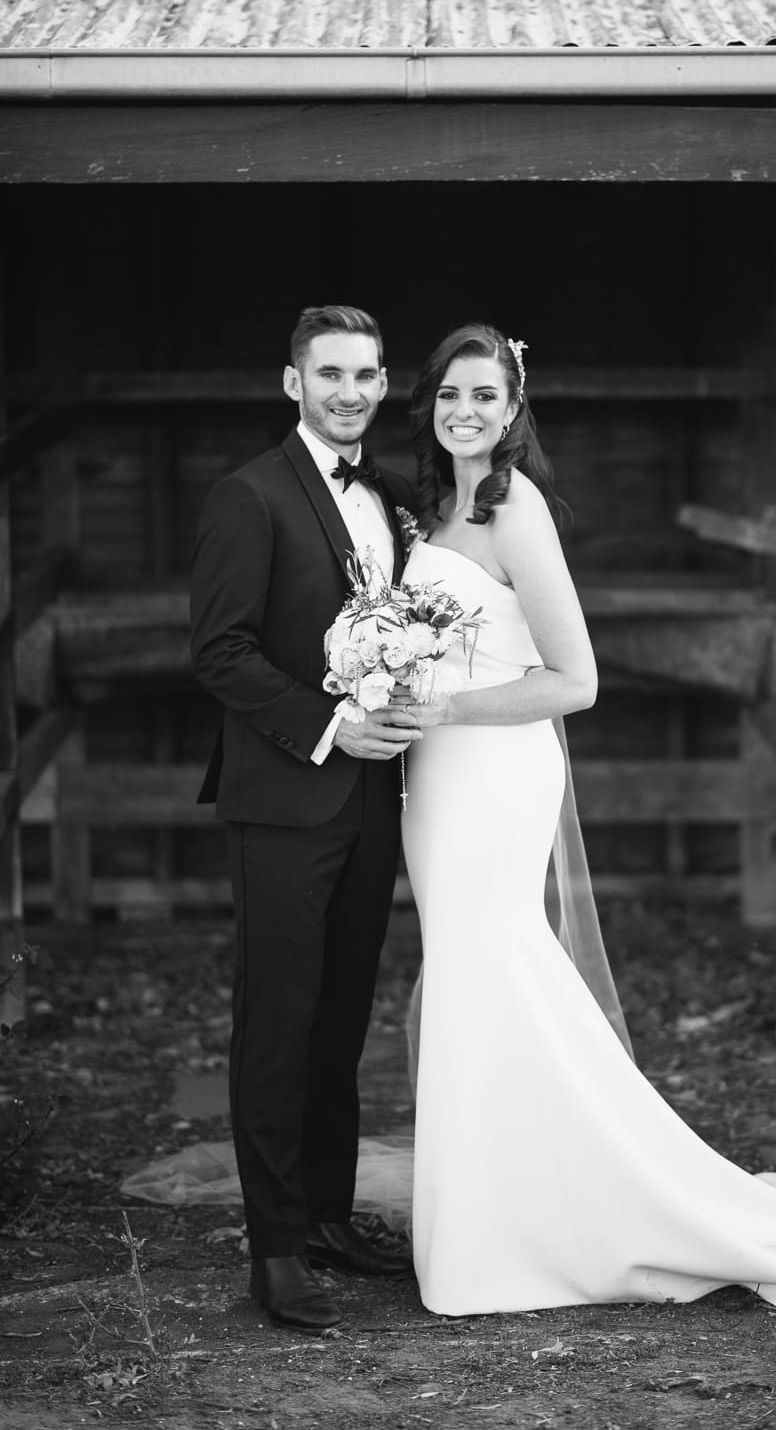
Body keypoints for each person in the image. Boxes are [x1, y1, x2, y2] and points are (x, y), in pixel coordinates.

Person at [390, 323, 776, 1316]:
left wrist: (448, 707)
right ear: (429, 407)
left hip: (492, 775)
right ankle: (491, 1201)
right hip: (433, 780)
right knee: (468, 975)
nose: (462, 411)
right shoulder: (433, 512)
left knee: (494, 963)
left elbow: (576, 681)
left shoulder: (516, 515)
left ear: (513, 412)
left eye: (483, 396)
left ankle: (544, 1215)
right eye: (447, 395)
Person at [189, 305, 421, 1332]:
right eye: (328, 372)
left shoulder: (390, 498)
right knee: (278, 1023)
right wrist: (329, 727)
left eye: (365, 374)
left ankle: (326, 1212)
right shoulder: (249, 496)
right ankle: (275, 1250)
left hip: (374, 797)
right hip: (289, 793)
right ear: (292, 383)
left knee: (341, 1018)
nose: (348, 390)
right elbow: (222, 652)